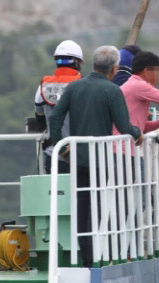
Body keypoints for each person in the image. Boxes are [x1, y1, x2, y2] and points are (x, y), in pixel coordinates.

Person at [50, 45, 143, 267]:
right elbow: (123, 125)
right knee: (102, 206)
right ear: (115, 68)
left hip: (78, 159)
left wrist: (61, 148)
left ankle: (87, 259)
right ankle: (104, 256)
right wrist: (137, 133)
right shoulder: (112, 91)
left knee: (83, 207)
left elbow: (55, 118)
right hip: (102, 161)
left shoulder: (74, 87)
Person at [34, 40, 84, 174]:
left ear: (56, 61)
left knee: (58, 194)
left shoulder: (43, 87)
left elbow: (39, 117)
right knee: (82, 194)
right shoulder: (84, 85)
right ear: (78, 62)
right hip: (81, 155)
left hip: (54, 154)